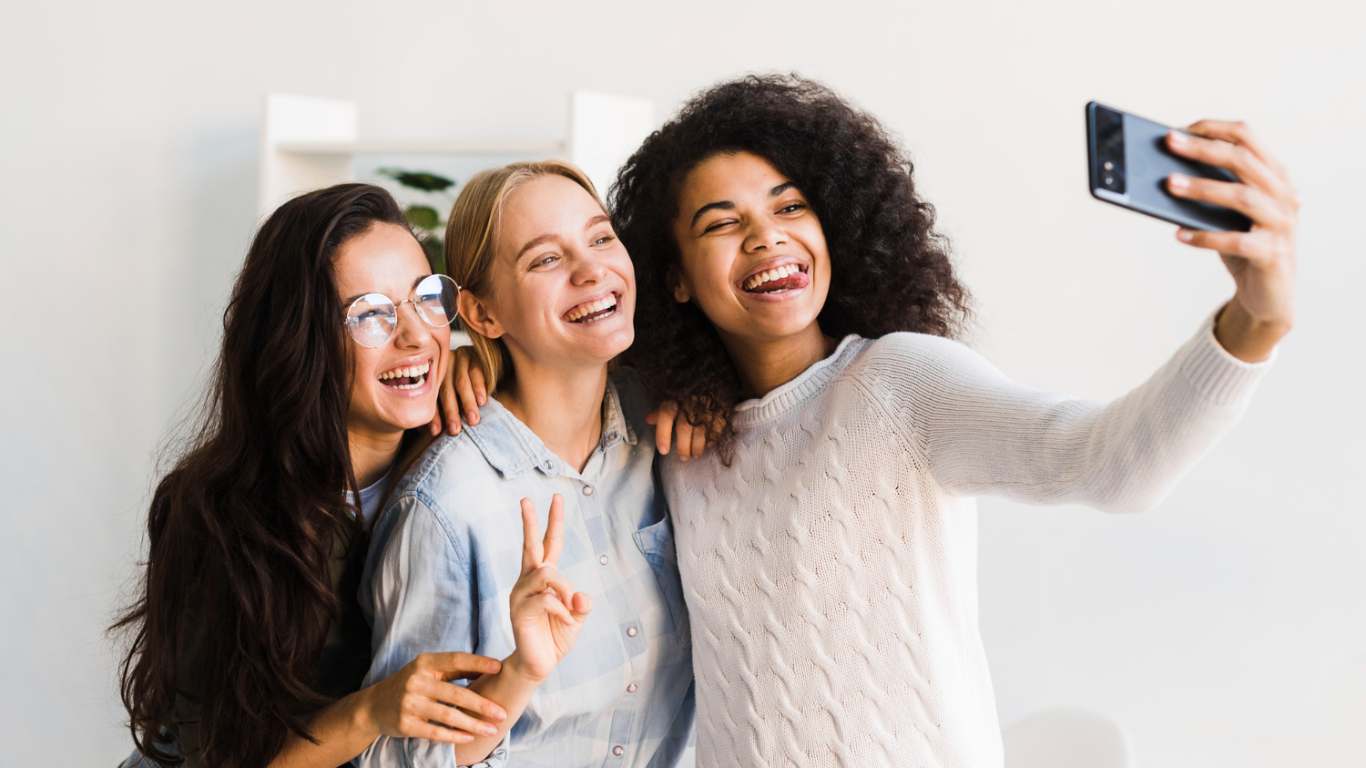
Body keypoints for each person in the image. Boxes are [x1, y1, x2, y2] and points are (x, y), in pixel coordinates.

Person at [606, 74, 1298, 766]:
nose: (766, 237)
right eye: (722, 222)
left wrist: (1254, 324)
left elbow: (1112, 467)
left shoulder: (898, 381)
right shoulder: (679, 437)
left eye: (791, 208)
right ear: (676, 280)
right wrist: (493, 366)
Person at [113, 183, 508, 768]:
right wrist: (372, 711)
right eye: (371, 314)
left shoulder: (456, 454)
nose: (416, 335)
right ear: (301, 339)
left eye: (426, 298)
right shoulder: (224, 516)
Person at [356, 161, 695, 767]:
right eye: (545, 260)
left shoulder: (668, 425)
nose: (592, 270)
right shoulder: (450, 503)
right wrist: (519, 675)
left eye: (600, 238)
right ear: (483, 315)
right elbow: (395, 760)